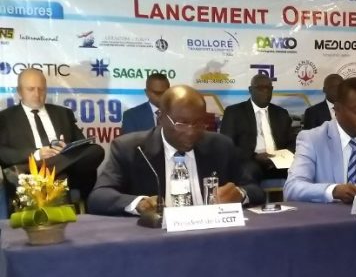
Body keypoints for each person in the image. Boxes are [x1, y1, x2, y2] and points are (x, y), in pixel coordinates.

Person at [88, 85, 264, 216]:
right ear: (161, 118)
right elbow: (99, 197)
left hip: (212, 234)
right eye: (181, 123)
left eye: (199, 123)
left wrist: (240, 194)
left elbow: (255, 190)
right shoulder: (131, 148)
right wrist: (140, 203)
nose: (191, 131)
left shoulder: (220, 146)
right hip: (157, 240)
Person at [0, 68, 104, 199]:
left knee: (96, 150)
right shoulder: (5, 118)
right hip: (30, 169)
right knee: (61, 177)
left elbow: (82, 146)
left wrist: (66, 148)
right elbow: (3, 152)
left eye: (41, 89)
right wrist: (36, 154)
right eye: (31, 89)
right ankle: (48, 174)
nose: (37, 94)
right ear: (19, 92)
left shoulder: (63, 113)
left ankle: (45, 172)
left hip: (54, 169)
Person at [219, 74, 293, 181]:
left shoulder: (281, 113)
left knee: (301, 170)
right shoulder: (234, 112)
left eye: (268, 88)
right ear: (250, 90)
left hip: (279, 161)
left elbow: (292, 141)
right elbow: (227, 145)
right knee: (249, 173)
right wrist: (254, 156)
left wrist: (286, 155)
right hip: (250, 161)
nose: (265, 92)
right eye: (260, 88)